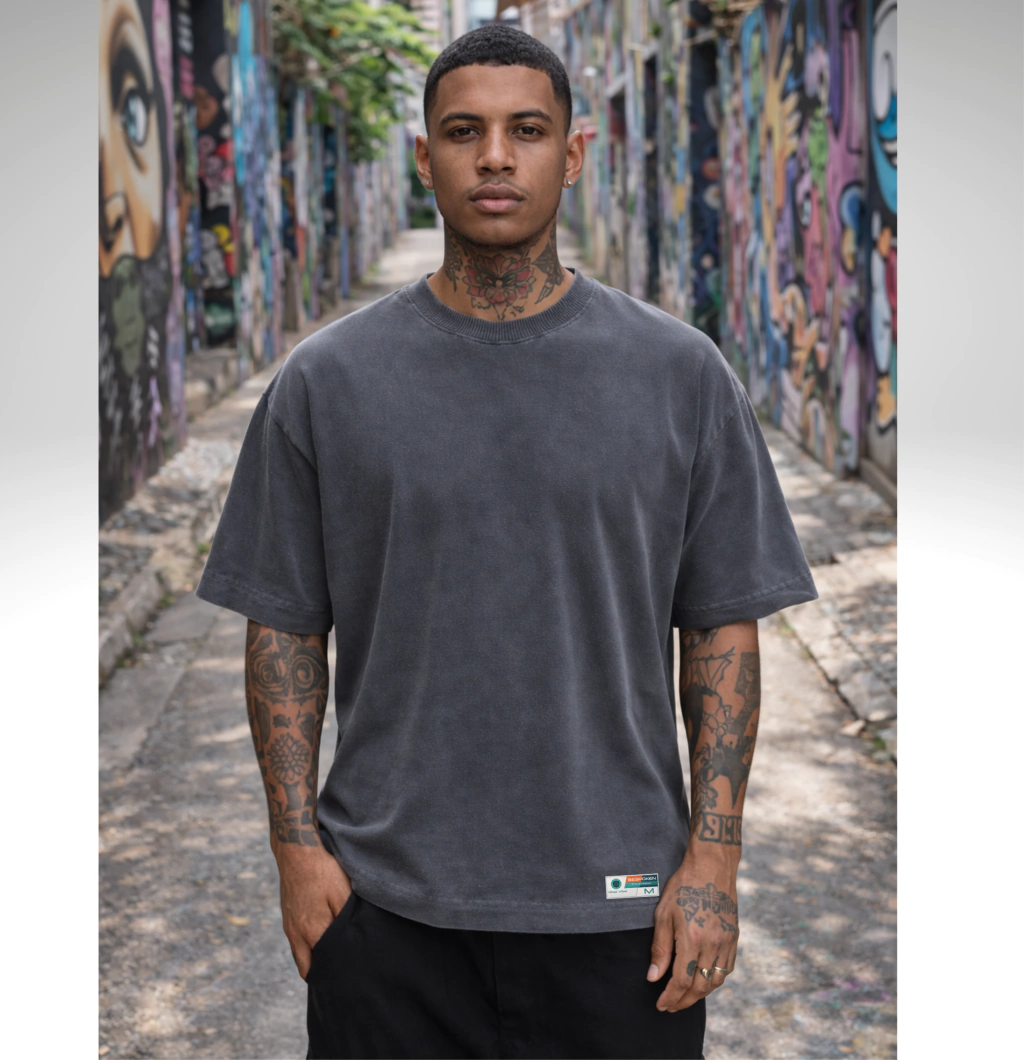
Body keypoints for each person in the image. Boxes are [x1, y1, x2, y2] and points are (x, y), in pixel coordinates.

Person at [195, 24, 818, 1060]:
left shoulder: (681, 376)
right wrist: (296, 852)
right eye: (463, 132)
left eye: (526, 130)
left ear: (571, 155)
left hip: (622, 914)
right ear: (424, 155)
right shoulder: (327, 382)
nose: (494, 156)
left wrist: (713, 860)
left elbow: (719, 633)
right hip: (388, 913)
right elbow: (285, 633)